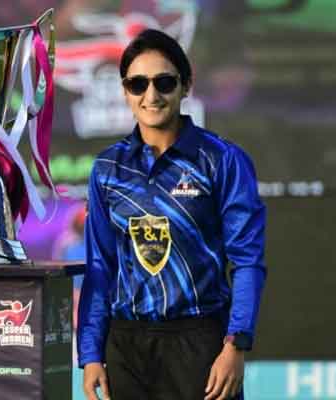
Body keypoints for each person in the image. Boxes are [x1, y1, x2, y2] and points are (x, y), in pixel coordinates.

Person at [77, 29, 266, 400]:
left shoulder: (222, 160)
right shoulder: (107, 169)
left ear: (186, 86)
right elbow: (100, 266)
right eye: (137, 84)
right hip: (126, 348)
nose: (151, 95)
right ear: (125, 91)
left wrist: (236, 345)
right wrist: (91, 355)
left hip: (200, 344)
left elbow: (247, 262)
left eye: (164, 82)